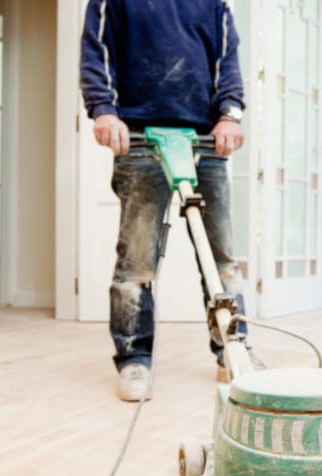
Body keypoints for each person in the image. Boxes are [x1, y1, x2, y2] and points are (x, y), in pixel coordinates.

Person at [80, 0, 248, 401]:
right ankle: (134, 358)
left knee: (221, 258)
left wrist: (230, 115)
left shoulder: (215, 4)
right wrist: (103, 110)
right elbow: (96, 51)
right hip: (139, 137)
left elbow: (227, 59)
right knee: (136, 262)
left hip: (205, 140)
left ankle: (233, 351)